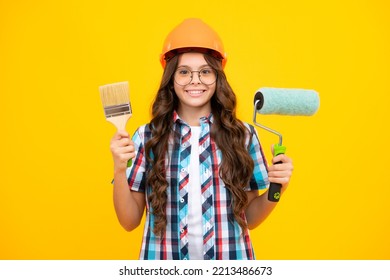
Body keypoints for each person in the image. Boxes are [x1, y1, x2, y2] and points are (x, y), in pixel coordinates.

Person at [109, 18, 293, 260]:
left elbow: (248, 219)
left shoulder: (244, 136)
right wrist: (119, 168)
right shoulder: (146, 137)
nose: (195, 80)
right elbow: (129, 222)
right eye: (184, 72)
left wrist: (277, 189)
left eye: (205, 72)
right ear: (170, 79)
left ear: (218, 78)